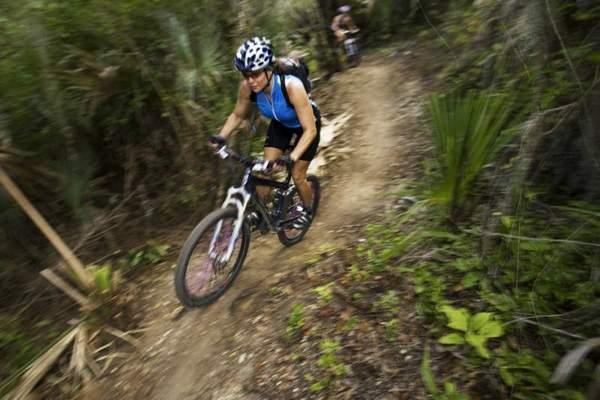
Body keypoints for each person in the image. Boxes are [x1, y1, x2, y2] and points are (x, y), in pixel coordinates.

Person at [210, 37, 321, 229]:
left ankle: (308, 210)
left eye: (255, 74)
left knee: (297, 174)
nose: (250, 80)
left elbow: (310, 129)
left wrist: (291, 157)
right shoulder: (247, 88)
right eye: (246, 75)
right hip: (280, 124)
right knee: (265, 169)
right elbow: (237, 115)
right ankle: (263, 212)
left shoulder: (291, 86)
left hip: (306, 126)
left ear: (268, 69)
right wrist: (221, 137)